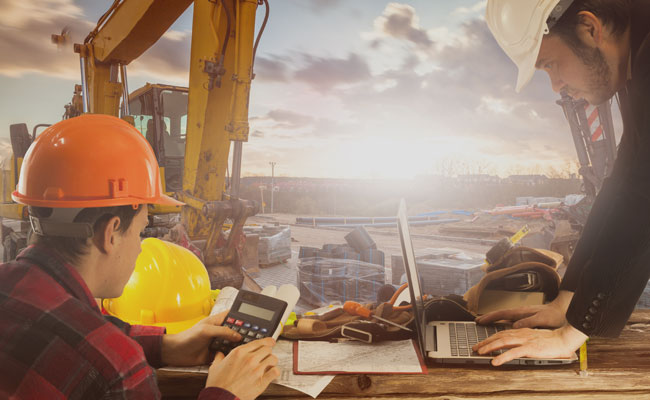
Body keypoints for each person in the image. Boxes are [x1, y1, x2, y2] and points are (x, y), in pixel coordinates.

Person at [0, 114, 279, 399]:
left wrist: (167, 346)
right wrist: (226, 392)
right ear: (111, 233)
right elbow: (93, 348)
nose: (140, 246)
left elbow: (65, 330)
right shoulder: (116, 369)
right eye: (140, 232)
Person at [473, 0, 650, 366]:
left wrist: (573, 334)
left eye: (551, 64)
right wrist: (567, 302)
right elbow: (626, 180)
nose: (556, 86)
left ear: (590, 29)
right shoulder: (638, 62)